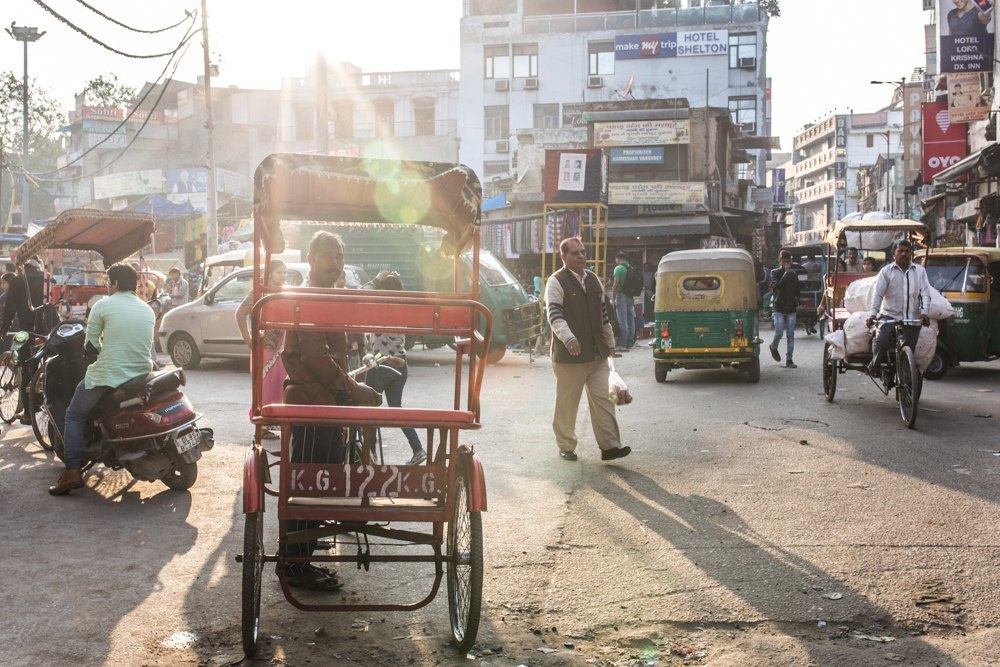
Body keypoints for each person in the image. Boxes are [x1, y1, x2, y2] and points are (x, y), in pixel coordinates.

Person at [280, 231, 381, 591]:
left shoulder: (330, 296)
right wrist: (353, 389)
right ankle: (294, 566)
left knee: (320, 486)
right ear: (310, 258)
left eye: (339, 256)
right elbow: (315, 359)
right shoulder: (306, 297)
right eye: (328, 256)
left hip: (327, 402)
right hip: (310, 406)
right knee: (306, 486)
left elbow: (333, 355)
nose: (335, 263)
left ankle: (302, 555)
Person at [49, 263, 155, 495]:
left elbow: (91, 345)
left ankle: (72, 472)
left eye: (108, 281)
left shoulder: (102, 305)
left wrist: (94, 353)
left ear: (114, 283)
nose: (108, 285)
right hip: (141, 372)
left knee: (74, 415)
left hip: (110, 374)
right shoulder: (147, 309)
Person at [545, 237, 630, 463]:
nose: (582, 256)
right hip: (569, 357)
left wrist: (610, 343)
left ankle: (610, 446)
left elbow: (604, 317)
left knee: (604, 400)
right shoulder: (556, 282)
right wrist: (568, 337)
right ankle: (566, 446)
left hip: (597, 353)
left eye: (583, 252)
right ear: (563, 257)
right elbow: (554, 316)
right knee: (567, 404)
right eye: (575, 253)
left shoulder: (593, 280)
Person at [362, 270, 427, 465]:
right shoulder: (404, 308)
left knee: (370, 409)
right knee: (396, 409)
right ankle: (417, 449)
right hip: (400, 362)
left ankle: (371, 454)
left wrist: (376, 279)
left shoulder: (379, 309)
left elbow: (362, 292)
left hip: (380, 361)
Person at [236, 259, 288, 439]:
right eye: (279, 272)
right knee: (264, 387)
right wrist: (248, 338)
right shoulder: (259, 292)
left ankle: (277, 421)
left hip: (282, 348)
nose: (283, 276)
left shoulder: (285, 292)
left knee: (280, 385)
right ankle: (262, 424)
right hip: (264, 347)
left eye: (285, 272)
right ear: (270, 274)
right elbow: (240, 312)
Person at [866, 240, 932, 374]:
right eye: (900, 251)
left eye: (907, 251)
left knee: (910, 351)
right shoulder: (886, 271)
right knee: (882, 340)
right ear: (893, 254)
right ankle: (875, 365)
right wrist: (873, 314)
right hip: (889, 316)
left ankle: (906, 377)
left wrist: (924, 313)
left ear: (911, 254)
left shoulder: (919, 271)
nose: (904, 254)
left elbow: (925, 294)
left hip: (911, 319)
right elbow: (878, 294)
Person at [0, 259, 46, 422]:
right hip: (48, 328)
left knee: (28, 366)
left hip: (28, 329)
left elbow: (10, 307)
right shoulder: (47, 278)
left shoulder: (19, 279)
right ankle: (41, 402)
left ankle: (28, 412)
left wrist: (4, 328)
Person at [768, 250, 800, 369]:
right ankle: (773, 347)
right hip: (779, 307)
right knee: (779, 332)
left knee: (790, 335)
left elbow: (797, 289)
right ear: (779, 261)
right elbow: (777, 287)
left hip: (791, 307)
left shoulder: (794, 274)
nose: (786, 263)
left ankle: (789, 359)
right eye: (783, 261)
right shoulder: (774, 273)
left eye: (788, 261)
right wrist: (786, 273)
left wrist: (799, 300)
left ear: (791, 261)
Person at [610, 251, 635, 351]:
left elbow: (615, 285)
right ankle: (630, 342)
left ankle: (622, 344)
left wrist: (613, 298)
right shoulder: (631, 268)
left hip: (622, 296)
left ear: (618, 258)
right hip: (630, 296)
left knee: (622, 320)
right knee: (630, 319)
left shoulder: (619, 268)